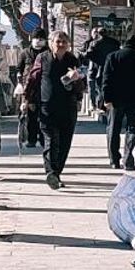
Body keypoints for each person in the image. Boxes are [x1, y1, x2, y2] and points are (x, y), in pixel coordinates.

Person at [25, 30, 84, 190]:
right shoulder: (43, 58)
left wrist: (76, 80)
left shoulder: (72, 60)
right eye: (58, 41)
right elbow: (33, 79)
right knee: (51, 140)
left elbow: (81, 84)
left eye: (64, 42)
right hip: (47, 106)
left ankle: (56, 173)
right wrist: (28, 99)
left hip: (68, 106)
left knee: (65, 142)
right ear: (51, 43)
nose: (61, 44)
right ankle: (51, 172)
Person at [101, 34, 135, 170]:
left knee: (113, 128)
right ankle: (128, 159)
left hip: (116, 100)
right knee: (133, 128)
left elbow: (106, 79)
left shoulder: (113, 57)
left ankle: (114, 160)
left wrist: (106, 98)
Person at [16, 28, 48, 148]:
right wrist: (19, 82)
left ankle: (44, 139)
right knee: (30, 115)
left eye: (41, 38)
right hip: (28, 88)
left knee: (44, 114)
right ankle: (31, 139)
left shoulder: (48, 53)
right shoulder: (25, 53)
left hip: (44, 87)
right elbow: (19, 69)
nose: (38, 41)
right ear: (31, 39)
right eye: (36, 38)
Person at [83, 27, 120, 112]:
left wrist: (96, 59)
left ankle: (100, 105)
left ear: (99, 34)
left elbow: (88, 54)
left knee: (100, 87)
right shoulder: (115, 42)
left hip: (99, 68)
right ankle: (106, 104)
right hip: (112, 68)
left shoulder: (94, 43)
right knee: (109, 86)